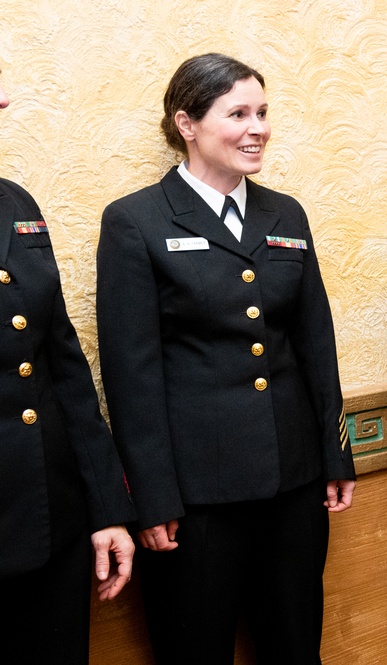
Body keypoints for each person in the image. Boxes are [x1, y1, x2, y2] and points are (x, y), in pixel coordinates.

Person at [96, 53, 355, 664]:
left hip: (294, 485)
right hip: (198, 494)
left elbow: (316, 341)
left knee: (295, 646)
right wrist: (153, 497)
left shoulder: (284, 214)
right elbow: (132, 375)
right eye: (237, 113)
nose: (257, 128)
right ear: (187, 124)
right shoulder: (135, 221)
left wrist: (334, 450)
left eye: (262, 112)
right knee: (196, 649)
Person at [0, 70, 135, 663]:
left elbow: (64, 370)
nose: (3, 96)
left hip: (52, 523)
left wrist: (106, 507)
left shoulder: (15, 203)